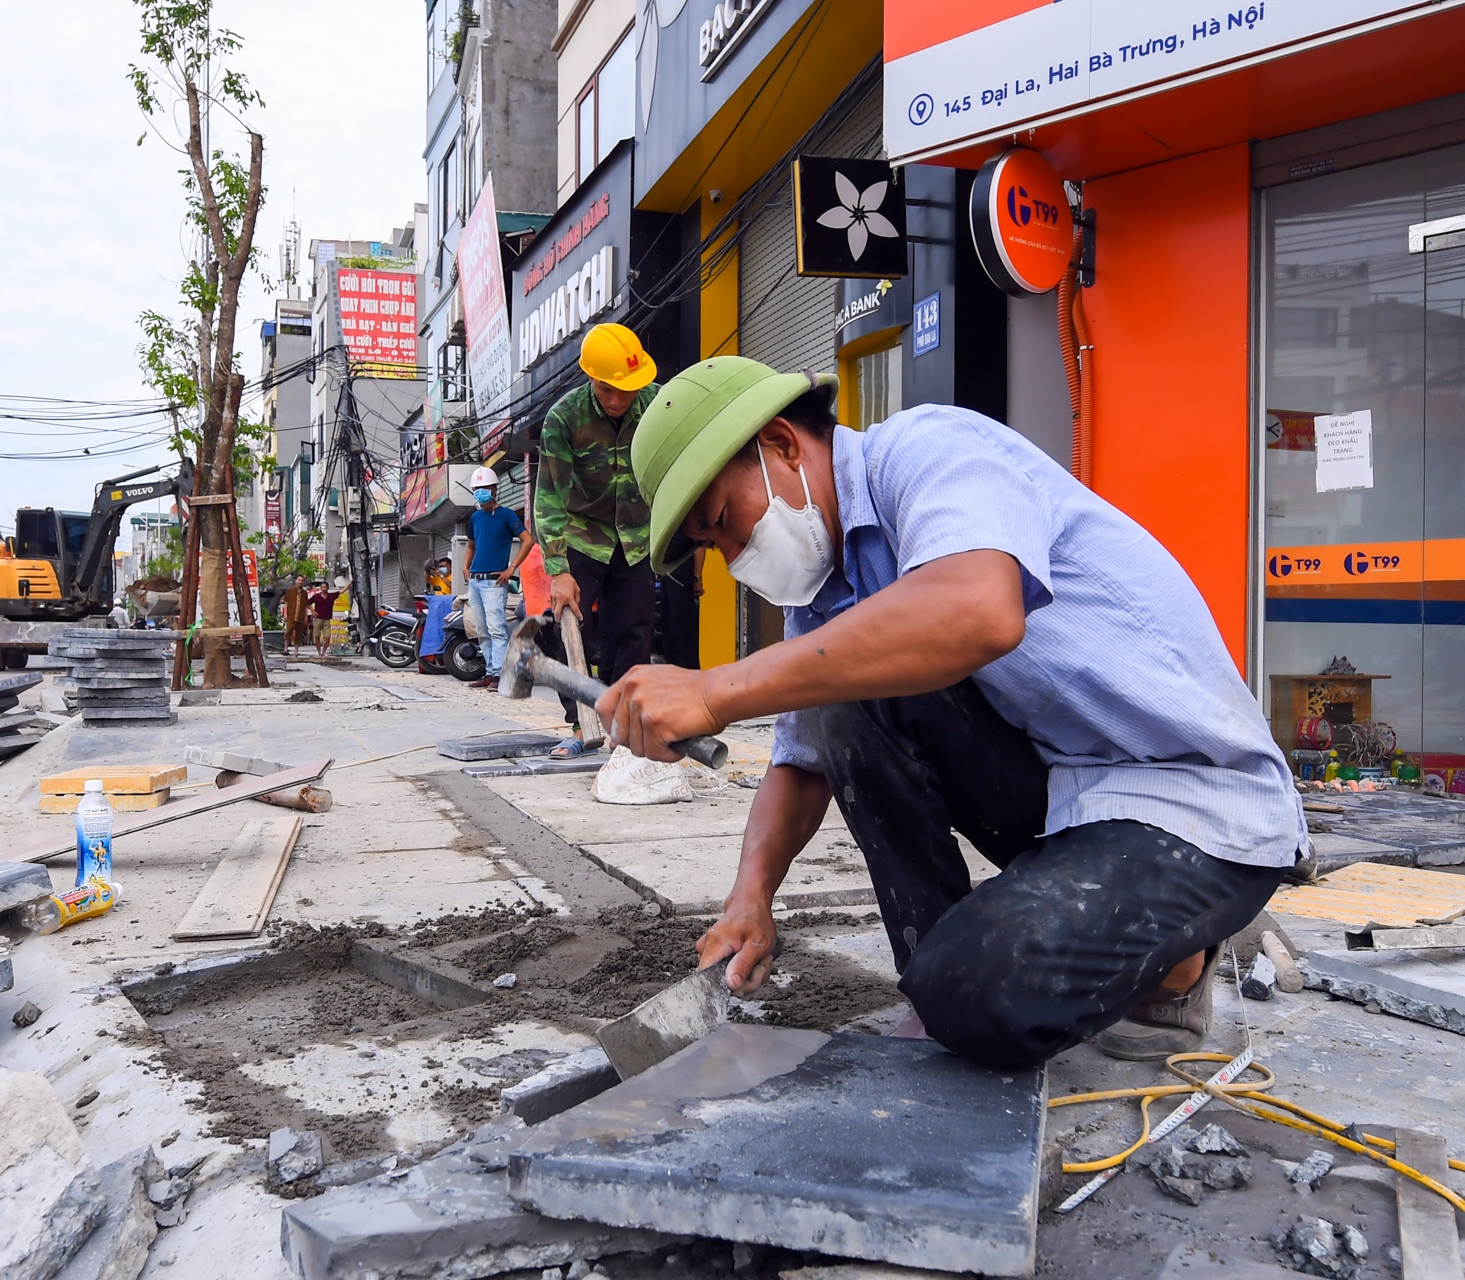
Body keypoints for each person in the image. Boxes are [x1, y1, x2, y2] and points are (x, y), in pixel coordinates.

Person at [598, 356, 1306, 1070]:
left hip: (1196, 803)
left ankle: (1178, 960)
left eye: (723, 523)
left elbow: (977, 610)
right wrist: (749, 898)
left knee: (980, 992)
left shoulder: (931, 450)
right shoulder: (824, 597)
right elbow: (802, 761)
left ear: (783, 444)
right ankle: (938, 980)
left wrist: (714, 690)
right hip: (1067, 797)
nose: (731, 555)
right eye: (712, 548)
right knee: (841, 704)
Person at [535, 322, 661, 756]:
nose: (618, 400)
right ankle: (581, 722)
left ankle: (621, 726)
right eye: (608, 391)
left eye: (626, 391)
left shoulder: (659, 404)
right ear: (592, 378)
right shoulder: (564, 418)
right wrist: (558, 570)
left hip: (638, 537)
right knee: (564, 628)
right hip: (583, 537)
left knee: (633, 631)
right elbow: (548, 498)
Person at [464, 465, 532, 690]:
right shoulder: (474, 517)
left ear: (494, 489)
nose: (481, 492)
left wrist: (512, 567)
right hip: (475, 580)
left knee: (496, 629)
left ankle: (499, 675)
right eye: (477, 488)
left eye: (484, 488)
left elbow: (528, 540)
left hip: (494, 581)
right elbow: (471, 545)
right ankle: (490, 671)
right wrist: (466, 567)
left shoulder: (506, 515)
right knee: (482, 630)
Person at [281, 573, 309, 658]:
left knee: (299, 634)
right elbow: (286, 602)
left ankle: (296, 651)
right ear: (296, 581)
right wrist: (285, 614)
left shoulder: (304, 593)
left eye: (302, 581)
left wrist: (305, 616)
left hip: (300, 616)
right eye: (299, 580)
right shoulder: (290, 591)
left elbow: (305, 606)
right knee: (288, 632)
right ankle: (286, 649)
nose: (300, 582)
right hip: (291, 615)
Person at [308, 579, 336, 658]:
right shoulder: (316, 596)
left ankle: (324, 651)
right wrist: (312, 611)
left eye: (325, 587)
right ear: (320, 588)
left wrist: (350, 584)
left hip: (327, 619)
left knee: (327, 636)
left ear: (327, 588)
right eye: (322, 587)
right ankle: (319, 651)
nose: (323, 589)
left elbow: (341, 591)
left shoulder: (331, 596)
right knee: (316, 636)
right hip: (318, 618)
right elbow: (307, 602)